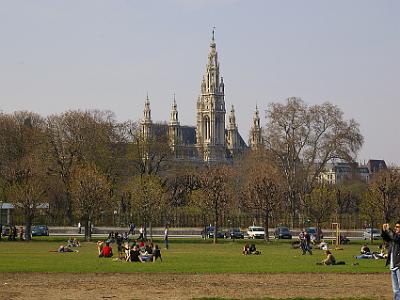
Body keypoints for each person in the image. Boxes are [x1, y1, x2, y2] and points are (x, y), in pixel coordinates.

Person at [382, 222, 400, 300]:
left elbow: (395, 238)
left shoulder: (397, 237)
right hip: (393, 265)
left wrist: (389, 229)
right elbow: (386, 238)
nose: (396, 228)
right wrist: (384, 230)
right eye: (395, 226)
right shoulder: (394, 237)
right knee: (395, 289)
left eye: (398, 227)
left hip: (399, 265)